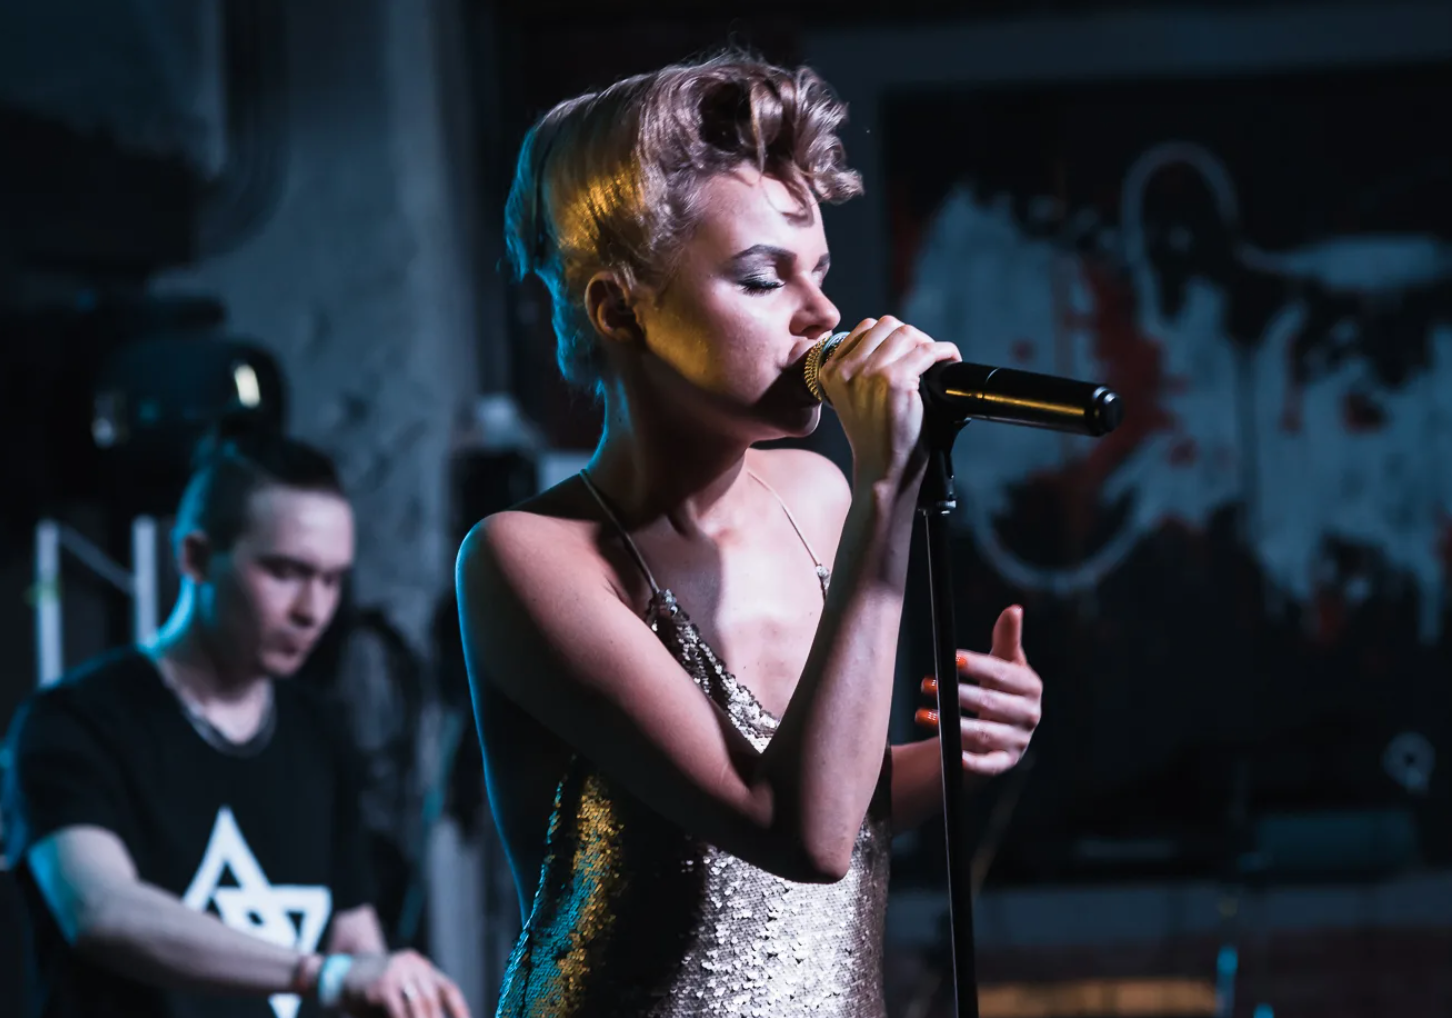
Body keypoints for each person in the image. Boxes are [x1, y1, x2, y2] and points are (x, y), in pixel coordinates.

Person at [456, 51, 1044, 1017]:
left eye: (822, 275)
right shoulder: (528, 560)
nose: (825, 316)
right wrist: (887, 495)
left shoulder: (816, 495)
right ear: (619, 309)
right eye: (765, 280)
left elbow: (835, 797)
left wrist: (963, 756)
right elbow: (797, 832)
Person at [2, 414, 469, 1018]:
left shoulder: (318, 730)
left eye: (332, 580)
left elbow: (355, 940)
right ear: (196, 558)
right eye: (285, 572)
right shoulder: (75, 722)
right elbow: (99, 909)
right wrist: (317, 975)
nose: (313, 610)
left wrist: (398, 991)